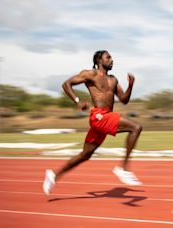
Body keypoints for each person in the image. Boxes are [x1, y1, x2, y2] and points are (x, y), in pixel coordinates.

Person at [43, 50, 143, 195]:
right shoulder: (90, 74)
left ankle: (54, 175)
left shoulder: (113, 80)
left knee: (85, 155)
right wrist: (77, 101)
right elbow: (66, 84)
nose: (112, 60)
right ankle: (124, 169)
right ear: (99, 61)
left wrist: (131, 85)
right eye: (108, 57)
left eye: (111, 57)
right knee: (136, 127)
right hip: (98, 116)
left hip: (106, 118)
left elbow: (124, 100)